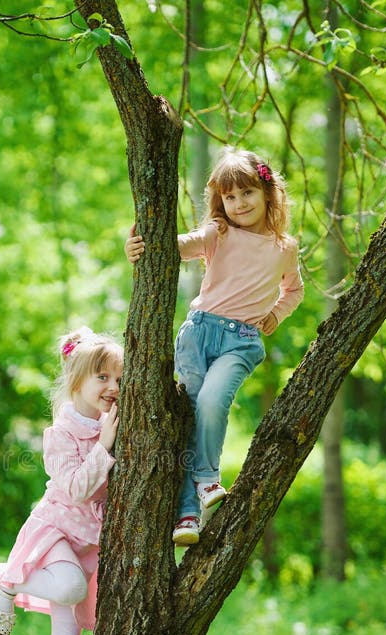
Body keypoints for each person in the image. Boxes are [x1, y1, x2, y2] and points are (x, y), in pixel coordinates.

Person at [125, 147, 304, 546]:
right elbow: (175, 246)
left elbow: (294, 290)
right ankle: (187, 514)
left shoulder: (283, 247)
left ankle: (208, 478)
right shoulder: (218, 234)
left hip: (240, 342)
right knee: (190, 416)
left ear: (267, 193)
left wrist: (276, 314)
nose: (239, 204)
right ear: (220, 201)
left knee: (211, 402)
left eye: (247, 193)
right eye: (230, 196)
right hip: (198, 334)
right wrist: (137, 245)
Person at [0, 327, 123, 635]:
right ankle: (2, 576)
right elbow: (78, 488)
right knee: (68, 587)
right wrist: (103, 447)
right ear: (76, 380)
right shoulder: (60, 434)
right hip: (57, 531)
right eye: (102, 378)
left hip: (90, 544)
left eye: (118, 379)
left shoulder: (115, 422)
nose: (113, 387)